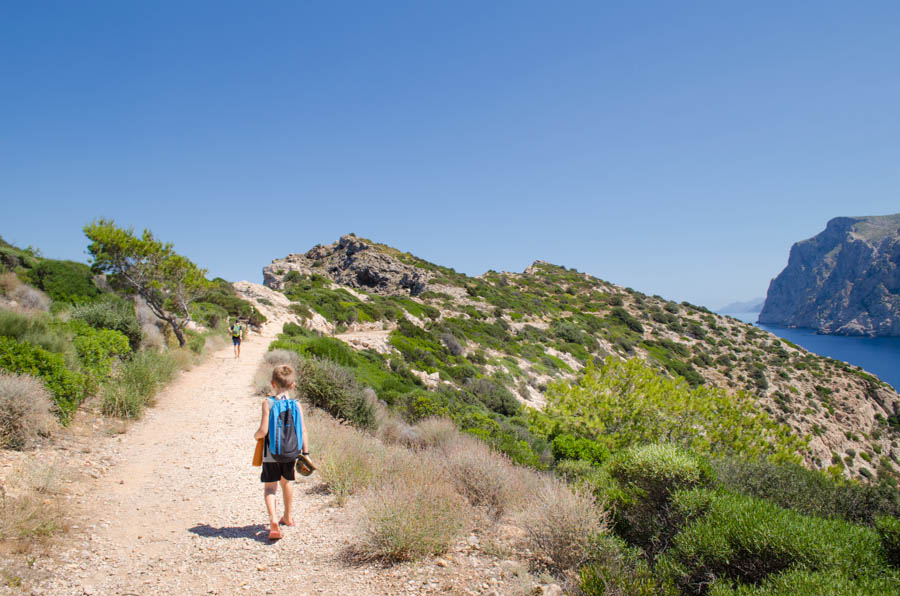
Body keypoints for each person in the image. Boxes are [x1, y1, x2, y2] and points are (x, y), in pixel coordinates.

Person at [252, 364, 309, 541]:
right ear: (292, 385)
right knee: (288, 483)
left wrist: (256, 437)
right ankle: (288, 516)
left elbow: (263, 431)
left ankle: (273, 521)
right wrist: (306, 454)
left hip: (271, 452)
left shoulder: (268, 403)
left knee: (270, 487)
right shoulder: (297, 405)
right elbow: (304, 430)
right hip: (291, 452)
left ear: (272, 383)